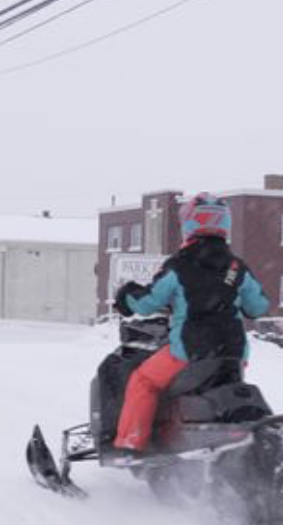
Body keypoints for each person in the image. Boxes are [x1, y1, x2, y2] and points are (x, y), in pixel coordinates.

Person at [111, 193, 270, 455]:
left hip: (189, 350)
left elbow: (148, 301)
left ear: (189, 224)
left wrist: (126, 296)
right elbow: (258, 307)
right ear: (225, 224)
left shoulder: (179, 266)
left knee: (142, 381)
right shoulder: (236, 267)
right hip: (233, 354)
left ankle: (131, 445)